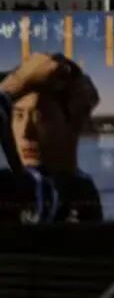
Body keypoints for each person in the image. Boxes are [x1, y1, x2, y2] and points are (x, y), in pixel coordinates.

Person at [0, 51, 103, 225]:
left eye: (40, 117)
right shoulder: (80, 189)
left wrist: (14, 85)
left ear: (75, 122)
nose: (26, 133)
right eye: (18, 116)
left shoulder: (78, 191)